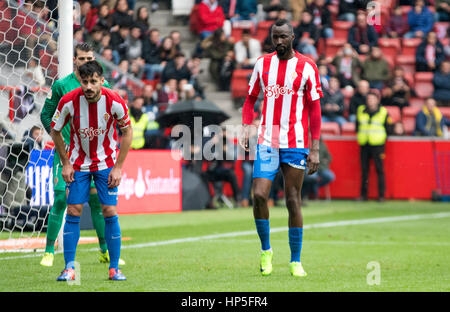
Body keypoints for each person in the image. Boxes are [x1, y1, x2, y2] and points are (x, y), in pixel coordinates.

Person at [239, 19, 322, 278]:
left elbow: (316, 109)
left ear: (293, 37)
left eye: (283, 37)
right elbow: (250, 99)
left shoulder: (307, 66)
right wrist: (245, 126)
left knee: (292, 200)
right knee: (260, 195)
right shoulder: (263, 64)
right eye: (275, 37)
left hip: (296, 142)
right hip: (267, 140)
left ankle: (295, 260)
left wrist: (315, 148)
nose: (279, 42)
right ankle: (266, 250)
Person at [39, 43, 125, 267]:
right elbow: (46, 114)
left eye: (90, 58)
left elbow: (118, 120)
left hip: (98, 157)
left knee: (99, 203)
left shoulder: (105, 87)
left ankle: (105, 251)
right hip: (69, 154)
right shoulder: (62, 86)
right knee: (61, 199)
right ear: (74, 60)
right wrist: (60, 138)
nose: (86, 62)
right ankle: (49, 251)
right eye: (82, 59)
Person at [356, 92, 392, 202]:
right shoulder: (361, 110)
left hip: (378, 144)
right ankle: (363, 195)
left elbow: (388, 128)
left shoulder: (383, 112)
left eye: (373, 99)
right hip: (364, 143)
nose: (370, 101)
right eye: (369, 99)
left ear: (377, 100)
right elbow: (357, 126)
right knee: (364, 170)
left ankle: (381, 196)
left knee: (379, 170)